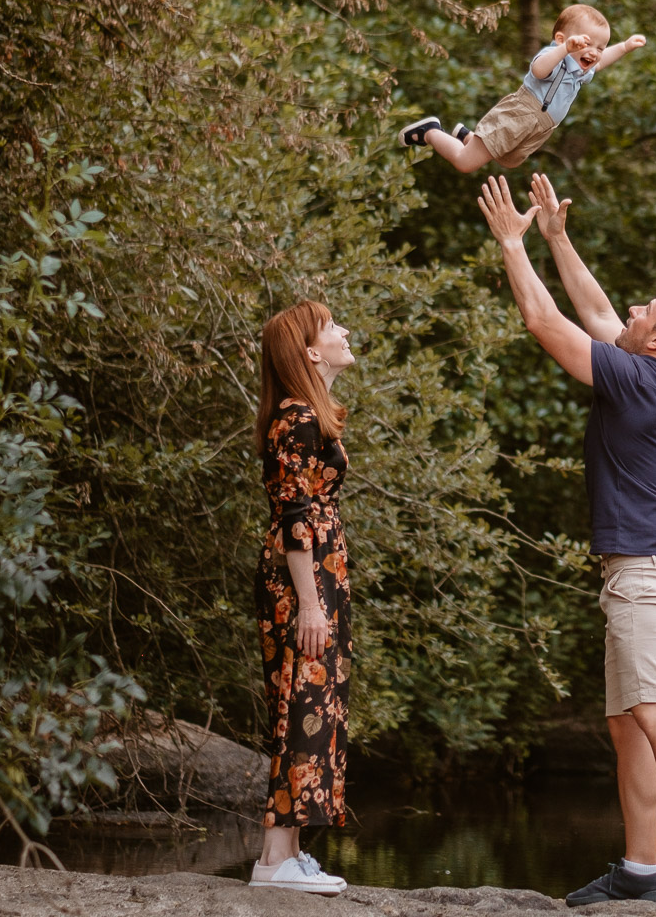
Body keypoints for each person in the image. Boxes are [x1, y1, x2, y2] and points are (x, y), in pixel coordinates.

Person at [474, 174, 656, 917]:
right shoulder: (649, 374)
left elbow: (547, 321)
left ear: (655, 340)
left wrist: (513, 245)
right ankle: (639, 870)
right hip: (643, 573)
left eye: (643, 310)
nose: (626, 307)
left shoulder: (638, 380)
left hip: (649, 574)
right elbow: (592, 309)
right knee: (628, 724)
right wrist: (558, 237)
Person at [248, 301, 356, 895]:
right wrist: (311, 604)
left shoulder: (310, 414)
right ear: (310, 353)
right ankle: (273, 859)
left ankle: (284, 852)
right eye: (332, 327)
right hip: (302, 582)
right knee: (301, 704)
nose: (343, 332)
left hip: (318, 576)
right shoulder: (296, 419)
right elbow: (294, 518)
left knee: (310, 703)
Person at [400, 4, 646, 171]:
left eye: (600, 48)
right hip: (521, 113)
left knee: (509, 161)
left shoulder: (580, 70)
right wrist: (565, 50)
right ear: (562, 39)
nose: (594, 52)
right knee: (466, 163)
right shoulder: (556, 55)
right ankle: (431, 131)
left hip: (542, 126)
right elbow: (538, 70)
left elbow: (599, 65)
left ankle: (469, 138)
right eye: (587, 44)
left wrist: (623, 47)